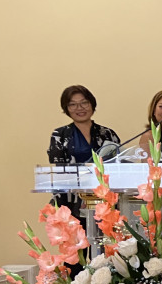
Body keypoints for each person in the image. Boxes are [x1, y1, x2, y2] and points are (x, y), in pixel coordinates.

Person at [48, 85, 120, 220]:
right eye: (73, 105)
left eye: (84, 103)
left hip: (104, 200)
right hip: (71, 200)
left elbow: (118, 167)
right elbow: (59, 171)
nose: (79, 108)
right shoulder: (60, 135)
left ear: (92, 104)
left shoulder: (108, 134)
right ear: (66, 109)